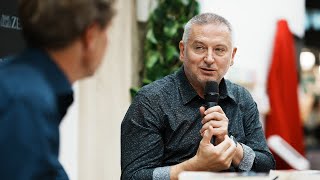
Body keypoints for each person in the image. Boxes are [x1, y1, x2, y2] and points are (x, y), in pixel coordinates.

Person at [121, 13, 275, 180]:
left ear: (232, 56)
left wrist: (230, 146)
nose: (209, 59)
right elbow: (133, 176)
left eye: (219, 50)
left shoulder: (242, 98)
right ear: (182, 50)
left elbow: (266, 166)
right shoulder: (151, 100)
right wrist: (196, 166)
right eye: (199, 48)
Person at [0, 0, 115, 179]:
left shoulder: (19, 84)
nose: (108, 42)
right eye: (106, 31)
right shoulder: (26, 102)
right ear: (90, 36)